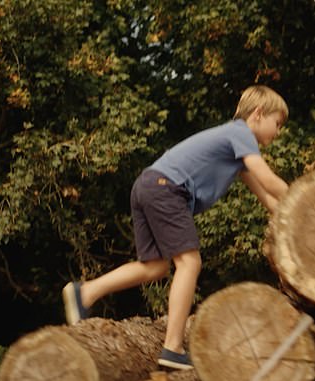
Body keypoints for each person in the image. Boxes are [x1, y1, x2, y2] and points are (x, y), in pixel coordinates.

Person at [62, 85, 290, 370]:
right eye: (277, 123)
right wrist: (301, 198)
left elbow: (267, 197)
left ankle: (85, 293)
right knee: (190, 263)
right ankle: (172, 347)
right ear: (257, 114)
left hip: (149, 185)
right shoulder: (240, 134)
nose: (277, 132)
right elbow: (269, 181)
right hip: (166, 189)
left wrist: (291, 217)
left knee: (156, 267)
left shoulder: (236, 151)